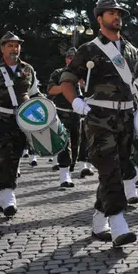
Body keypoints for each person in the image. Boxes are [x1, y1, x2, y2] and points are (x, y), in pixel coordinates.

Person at [59, 0, 138, 247]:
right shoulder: (89, 49)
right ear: (99, 18)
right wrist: (76, 102)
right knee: (109, 169)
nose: (116, 17)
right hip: (99, 117)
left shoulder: (130, 50)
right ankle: (118, 223)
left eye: (119, 13)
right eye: (110, 13)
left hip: (127, 117)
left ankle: (99, 219)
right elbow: (67, 80)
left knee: (116, 171)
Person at [0, 32, 42, 218]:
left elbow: (35, 95)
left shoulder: (28, 69)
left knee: (17, 155)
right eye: (10, 45)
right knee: (4, 155)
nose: (14, 49)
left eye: (17, 45)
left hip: (23, 120)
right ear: (2, 48)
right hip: (1, 119)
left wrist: (45, 112)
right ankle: (7, 194)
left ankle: (5, 196)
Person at [46, 47, 80, 188]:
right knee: (64, 143)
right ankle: (64, 175)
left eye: (74, 57)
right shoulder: (59, 73)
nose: (71, 60)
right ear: (66, 59)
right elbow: (51, 90)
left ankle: (71, 167)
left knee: (76, 143)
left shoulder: (84, 74)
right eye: (69, 57)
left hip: (78, 113)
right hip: (62, 112)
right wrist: (66, 87)